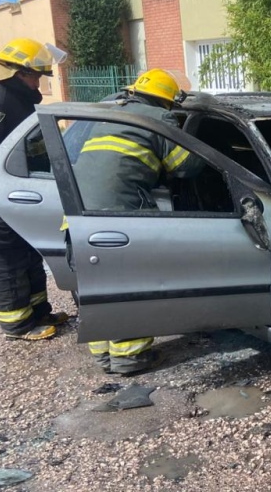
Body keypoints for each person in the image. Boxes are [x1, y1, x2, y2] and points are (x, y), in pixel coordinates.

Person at [74, 68, 203, 375]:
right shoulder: (158, 118)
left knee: (99, 287)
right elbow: (187, 166)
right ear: (166, 101)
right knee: (130, 286)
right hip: (121, 218)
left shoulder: (109, 115)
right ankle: (129, 357)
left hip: (78, 218)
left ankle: (104, 356)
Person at [0, 38, 70, 340]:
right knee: (7, 260)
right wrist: (12, 175)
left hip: (12, 190)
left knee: (28, 254)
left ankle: (38, 312)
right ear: (20, 72)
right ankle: (17, 324)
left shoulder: (12, 94)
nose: (38, 83)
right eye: (36, 76)